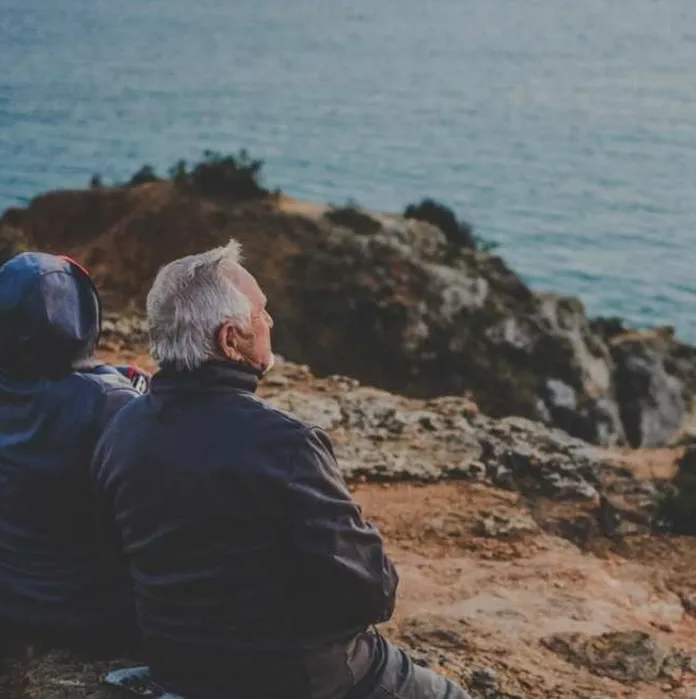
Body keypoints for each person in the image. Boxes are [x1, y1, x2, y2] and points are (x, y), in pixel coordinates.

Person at [92, 241, 468, 699]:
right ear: (230, 340)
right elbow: (372, 593)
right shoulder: (286, 445)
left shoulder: (121, 427)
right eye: (261, 313)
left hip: (177, 665)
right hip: (296, 678)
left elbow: (114, 555)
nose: (270, 322)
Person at [0, 252, 148, 658]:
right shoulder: (111, 404)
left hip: (4, 603)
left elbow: (42, 372)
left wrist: (108, 376)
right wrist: (135, 388)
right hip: (96, 616)